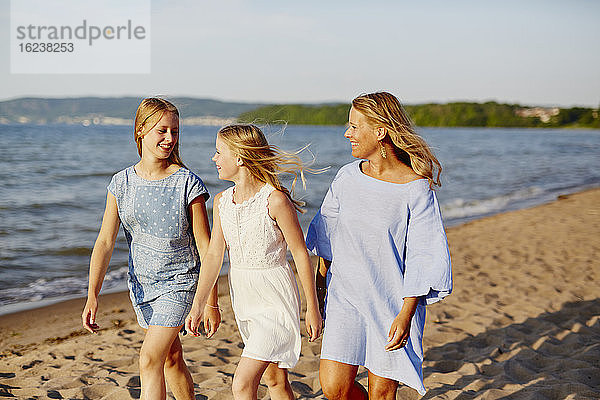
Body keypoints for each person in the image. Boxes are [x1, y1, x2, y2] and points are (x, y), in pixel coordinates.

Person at [306, 92, 452, 399]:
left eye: (355, 127)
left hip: (391, 302)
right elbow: (326, 236)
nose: (348, 134)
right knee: (334, 387)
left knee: (382, 394)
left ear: (381, 131)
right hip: (344, 295)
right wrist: (320, 291)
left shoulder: (416, 189)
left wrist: (406, 313)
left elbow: (424, 256)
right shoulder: (347, 176)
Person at [81, 97, 221, 400]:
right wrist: (93, 294)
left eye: (175, 131)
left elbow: (206, 246)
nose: (170, 139)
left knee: (148, 359)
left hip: (181, 284)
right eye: (162, 131)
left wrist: (210, 301)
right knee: (170, 358)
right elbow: (105, 242)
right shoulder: (121, 183)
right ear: (141, 131)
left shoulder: (188, 184)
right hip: (142, 287)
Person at [185, 124, 323, 400]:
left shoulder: (275, 200)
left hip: (275, 299)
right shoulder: (223, 201)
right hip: (244, 299)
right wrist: (199, 304)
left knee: (242, 384)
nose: (214, 159)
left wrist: (312, 308)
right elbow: (214, 255)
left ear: (239, 157)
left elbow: (299, 253)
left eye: (218, 152)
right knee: (275, 380)